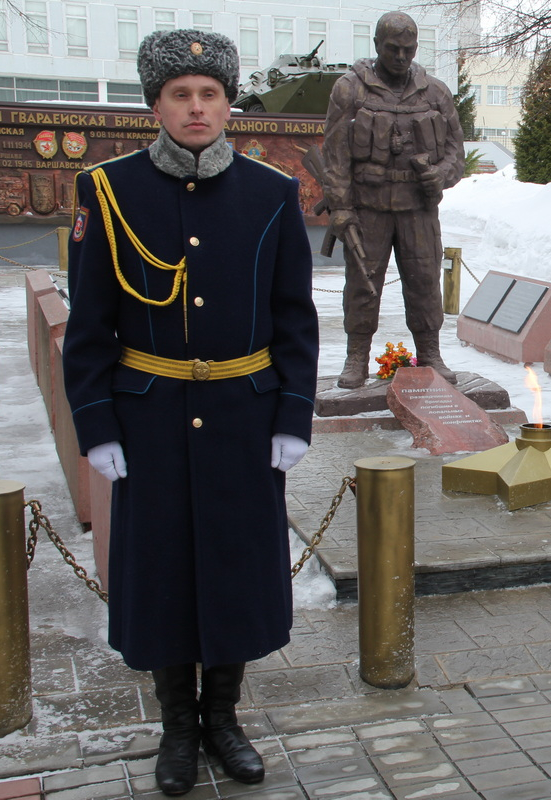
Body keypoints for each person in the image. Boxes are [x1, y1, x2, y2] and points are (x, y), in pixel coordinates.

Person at [62, 29, 319, 797]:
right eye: (182, 94)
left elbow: (294, 317)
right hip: (150, 422)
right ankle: (177, 727)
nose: (198, 108)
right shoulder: (108, 191)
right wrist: (98, 426)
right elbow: (89, 328)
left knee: (236, 571)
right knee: (164, 574)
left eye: (210, 93)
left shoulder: (271, 194)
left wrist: (291, 416)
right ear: (157, 105)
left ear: (229, 102)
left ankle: (226, 720)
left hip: (243, 416)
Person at [322, 10, 465, 388]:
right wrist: (340, 206)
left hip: (418, 208)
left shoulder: (435, 92)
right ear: (376, 46)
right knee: (362, 285)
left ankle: (430, 353)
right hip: (368, 207)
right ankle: (357, 358)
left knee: (424, 282)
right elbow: (334, 155)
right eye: (392, 49)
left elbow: (455, 153)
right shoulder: (349, 89)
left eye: (408, 49)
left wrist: (441, 175)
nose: (401, 57)